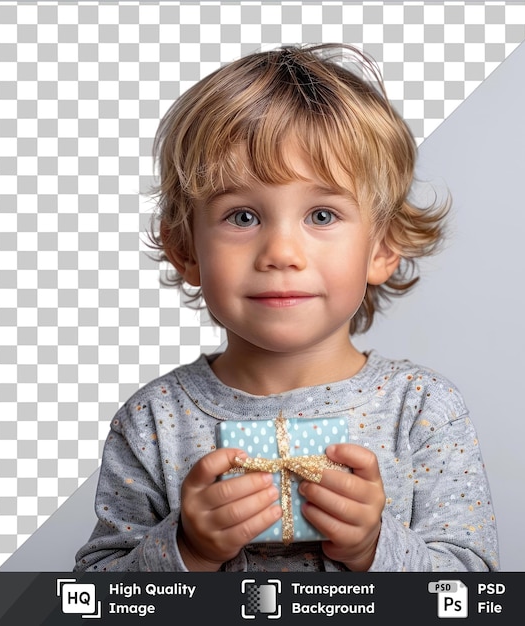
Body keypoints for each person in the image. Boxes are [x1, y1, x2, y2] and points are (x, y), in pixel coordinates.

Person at [74, 43, 499, 572]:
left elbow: (473, 592)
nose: (281, 254)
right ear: (186, 249)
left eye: (322, 215)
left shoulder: (422, 411)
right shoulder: (152, 423)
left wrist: (373, 548)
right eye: (243, 217)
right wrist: (187, 548)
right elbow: (98, 597)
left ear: (383, 248)